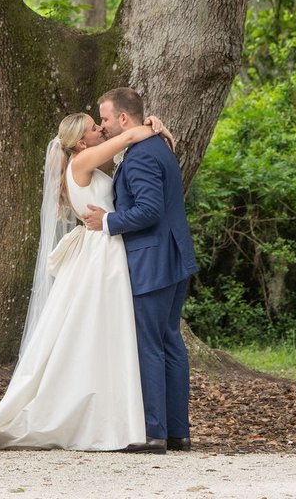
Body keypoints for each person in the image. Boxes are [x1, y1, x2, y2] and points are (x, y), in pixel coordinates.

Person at [0, 111, 172, 452]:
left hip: (101, 248)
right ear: (81, 141)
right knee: (98, 327)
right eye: (93, 127)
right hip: (101, 251)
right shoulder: (85, 159)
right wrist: (154, 126)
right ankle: (103, 414)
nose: (101, 128)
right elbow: (129, 137)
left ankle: (111, 411)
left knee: (95, 329)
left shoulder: (84, 161)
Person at [84, 88, 198, 455]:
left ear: (123, 119)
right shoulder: (155, 147)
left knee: (151, 345)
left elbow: (148, 210)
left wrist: (107, 221)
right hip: (174, 257)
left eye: (103, 119)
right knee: (169, 342)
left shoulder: (139, 158)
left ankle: (154, 433)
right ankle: (178, 433)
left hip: (153, 261)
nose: (101, 125)